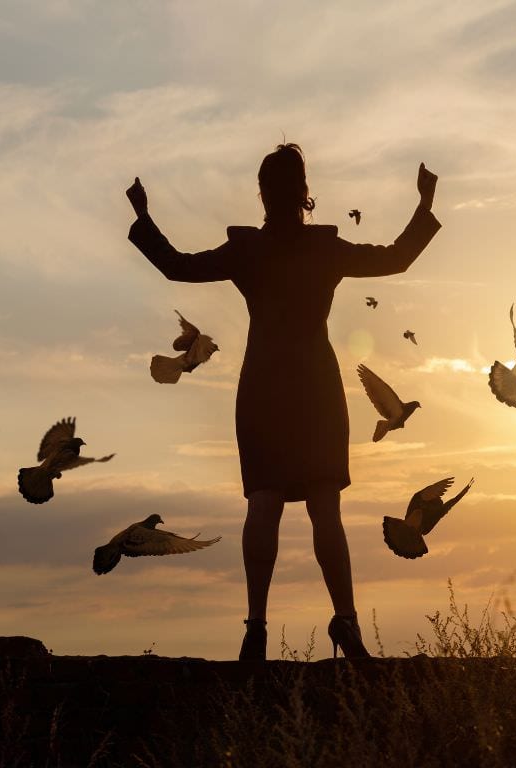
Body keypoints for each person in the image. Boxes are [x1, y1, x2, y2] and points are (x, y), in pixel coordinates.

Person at [126, 144, 440, 660]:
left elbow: (176, 267)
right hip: (314, 381)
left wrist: (143, 217)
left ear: (262, 194)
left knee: (264, 504)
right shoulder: (324, 250)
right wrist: (424, 203)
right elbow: (397, 258)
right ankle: (347, 622)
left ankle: (256, 629)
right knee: (325, 509)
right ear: (304, 193)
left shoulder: (249, 251)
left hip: (265, 383)